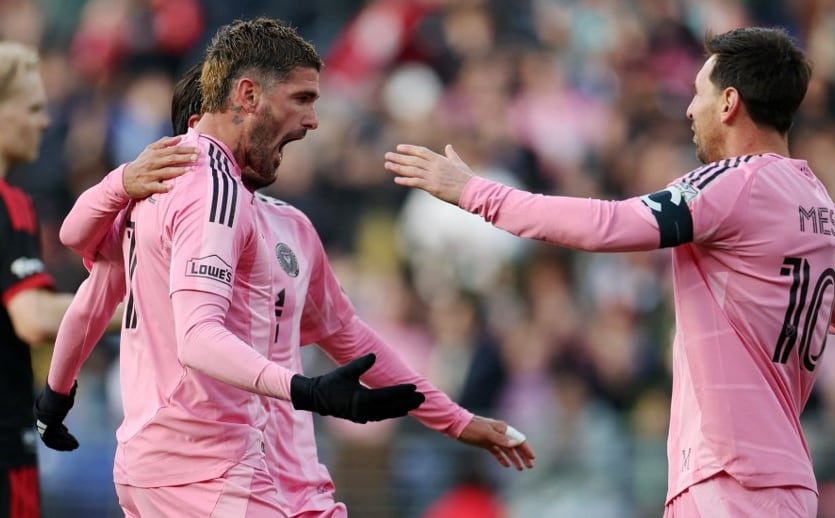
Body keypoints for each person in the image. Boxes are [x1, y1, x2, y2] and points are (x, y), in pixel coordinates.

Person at [40, 27, 534, 518]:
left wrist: (453, 419)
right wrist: (310, 392)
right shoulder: (204, 190)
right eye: (301, 98)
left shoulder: (285, 224)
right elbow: (186, 330)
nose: (314, 121)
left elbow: (347, 335)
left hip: (281, 481)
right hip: (210, 473)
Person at [385, 26, 835, 516]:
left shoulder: (733, 184)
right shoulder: (823, 206)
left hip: (728, 475)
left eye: (697, 93)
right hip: (790, 482)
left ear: (728, 103)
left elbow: (608, 224)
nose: (688, 109)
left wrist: (475, 193)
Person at [0, 41, 80, 518]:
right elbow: (32, 317)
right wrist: (127, 307)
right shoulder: (9, 204)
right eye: (32, 108)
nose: (44, 123)